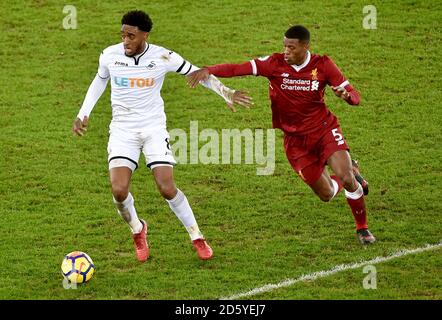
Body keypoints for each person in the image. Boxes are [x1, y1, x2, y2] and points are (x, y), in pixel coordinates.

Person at [72, 10, 252, 262]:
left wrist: (227, 93)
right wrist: (83, 113)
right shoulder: (109, 55)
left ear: (145, 35)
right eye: (123, 35)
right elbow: (99, 81)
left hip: (153, 128)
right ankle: (138, 229)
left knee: (167, 188)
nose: (126, 41)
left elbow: (198, 74)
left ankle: (197, 236)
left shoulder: (163, 57)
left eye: (131, 36)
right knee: (119, 190)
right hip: (123, 130)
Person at [188, 25, 376, 245]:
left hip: (324, 130)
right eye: (284, 46)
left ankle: (362, 228)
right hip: (294, 141)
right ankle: (353, 172)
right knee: (326, 194)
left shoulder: (323, 65)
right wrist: (209, 69)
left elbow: (354, 95)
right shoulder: (274, 64)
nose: (286, 51)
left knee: (346, 179)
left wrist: (347, 97)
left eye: (292, 47)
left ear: (305, 47)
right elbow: (238, 68)